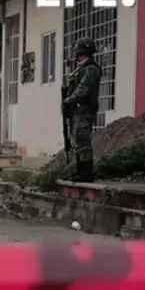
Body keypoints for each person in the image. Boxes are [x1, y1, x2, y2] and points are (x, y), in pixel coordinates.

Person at [62, 37, 102, 183]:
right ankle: (80, 171)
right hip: (78, 110)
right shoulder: (81, 69)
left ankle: (86, 173)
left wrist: (68, 100)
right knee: (77, 140)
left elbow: (82, 89)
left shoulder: (91, 69)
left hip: (85, 109)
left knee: (82, 140)